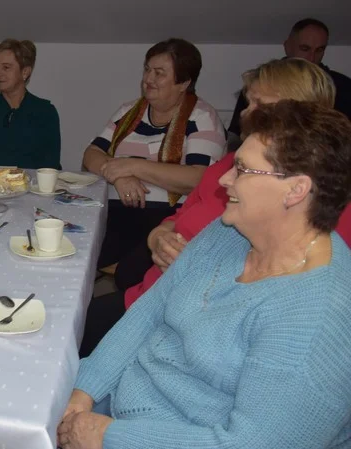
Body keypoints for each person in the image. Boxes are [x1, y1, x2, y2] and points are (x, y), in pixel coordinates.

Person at [60, 100, 351, 449]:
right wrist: (84, 390)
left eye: (242, 169)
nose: (225, 178)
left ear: (295, 190)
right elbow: (150, 310)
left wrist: (109, 436)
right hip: (121, 404)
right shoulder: (229, 232)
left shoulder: (317, 317)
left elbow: (250, 444)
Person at [80, 58, 345, 357]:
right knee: (71, 327)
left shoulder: (317, 198)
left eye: (259, 103)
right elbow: (180, 215)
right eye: (249, 101)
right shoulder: (229, 165)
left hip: (189, 322)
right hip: (155, 295)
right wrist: (160, 236)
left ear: (299, 113)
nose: (245, 113)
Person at [82, 38, 226, 271]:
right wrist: (119, 176)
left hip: (166, 218)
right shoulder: (128, 111)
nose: (148, 79)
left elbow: (199, 178)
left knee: (121, 268)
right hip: (114, 210)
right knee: (72, 248)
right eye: (147, 70)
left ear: (184, 82)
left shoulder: (202, 118)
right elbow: (91, 154)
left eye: (159, 73)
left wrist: (132, 167)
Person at [227, 18, 351, 144]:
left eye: (319, 50)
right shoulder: (260, 83)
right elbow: (235, 137)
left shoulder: (343, 87)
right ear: (287, 46)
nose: (312, 57)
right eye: (305, 48)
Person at [0, 38, 61, 169]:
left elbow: (50, 165)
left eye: (6, 67)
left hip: (31, 187)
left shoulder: (46, 112)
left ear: (25, 72)